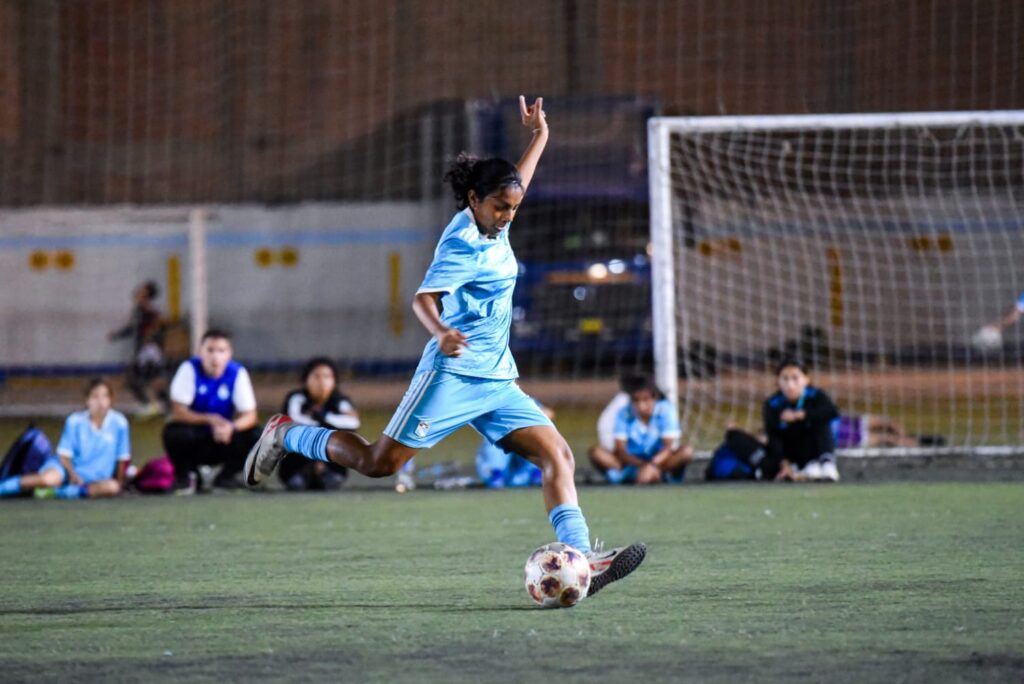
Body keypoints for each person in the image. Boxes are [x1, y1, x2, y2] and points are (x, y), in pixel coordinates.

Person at [244, 95, 645, 597]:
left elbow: (516, 183)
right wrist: (441, 333)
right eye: (500, 206)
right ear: (474, 199)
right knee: (378, 464)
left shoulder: (496, 215)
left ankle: (582, 558)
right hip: (451, 375)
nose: (508, 215)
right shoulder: (462, 243)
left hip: (497, 377)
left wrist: (539, 136)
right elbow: (422, 299)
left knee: (557, 456)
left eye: (513, 207)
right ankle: (286, 434)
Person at [162, 329, 259, 492]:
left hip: (224, 437)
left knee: (258, 435)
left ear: (229, 354)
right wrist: (209, 419)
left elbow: (250, 415)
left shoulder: (237, 373)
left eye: (221, 351)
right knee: (172, 432)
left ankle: (226, 477)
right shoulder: (189, 369)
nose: (215, 356)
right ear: (200, 352)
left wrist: (231, 427)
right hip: (196, 437)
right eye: (210, 350)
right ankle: (186, 477)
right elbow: (178, 411)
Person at [0, 379, 130, 499]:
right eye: (95, 396)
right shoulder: (74, 421)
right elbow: (64, 456)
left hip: (96, 478)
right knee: (48, 480)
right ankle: (4, 487)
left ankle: (56, 492)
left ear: (111, 400)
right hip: (66, 470)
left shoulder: (120, 423)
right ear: (87, 400)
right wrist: (73, 476)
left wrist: (120, 482)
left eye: (104, 396)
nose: (100, 401)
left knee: (112, 487)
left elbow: (122, 458)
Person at [588, 377, 694, 484]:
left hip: (660, 461)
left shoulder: (666, 410)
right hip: (631, 462)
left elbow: (667, 447)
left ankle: (657, 473)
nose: (641, 406)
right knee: (596, 452)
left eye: (645, 400)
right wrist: (642, 466)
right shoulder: (623, 413)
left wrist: (652, 465)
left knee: (686, 452)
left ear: (654, 397)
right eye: (636, 400)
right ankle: (639, 474)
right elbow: (621, 450)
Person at [278, 357, 358, 491]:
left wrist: (323, 416)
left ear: (334, 381)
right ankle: (300, 474)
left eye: (327, 377)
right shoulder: (297, 398)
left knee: (342, 439)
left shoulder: (340, 401)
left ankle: (330, 472)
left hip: (330, 458)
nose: (322, 382)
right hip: (298, 460)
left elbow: (352, 423)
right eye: (316, 376)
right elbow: (294, 420)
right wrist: (325, 424)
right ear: (306, 380)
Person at [763, 359, 840, 482]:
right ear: (778, 381)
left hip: (815, 446)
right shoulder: (772, 404)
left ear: (806, 379)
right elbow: (773, 436)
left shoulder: (815, 395)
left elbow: (833, 412)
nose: (790, 384)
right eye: (785, 379)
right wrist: (783, 462)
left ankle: (826, 463)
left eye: (795, 378)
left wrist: (800, 415)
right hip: (793, 451)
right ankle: (800, 466)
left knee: (821, 420)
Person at [109, 280, 166, 413]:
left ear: (147, 295)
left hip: (149, 352)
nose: (138, 292)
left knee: (139, 379)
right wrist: (116, 335)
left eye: (142, 291)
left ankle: (154, 405)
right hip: (143, 351)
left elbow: (155, 331)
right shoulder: (139, 311)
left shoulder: (151, 313)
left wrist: (152, 339)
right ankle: (156, 405)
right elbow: (132, 329)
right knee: (148, 380)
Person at [475, 400, 553, 488]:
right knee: (497, 437)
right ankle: (496, 475)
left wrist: (523, 419)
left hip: (521, 474)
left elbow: (548, 413)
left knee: (534, 437)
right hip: (494, 468)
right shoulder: (491, 399)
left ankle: (536, 474)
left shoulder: (519, 397)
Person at [587, 373, 650, 473]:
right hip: (623, 454)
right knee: (597, 453)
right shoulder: (622, 409)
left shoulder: (662, 407)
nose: (641, 405)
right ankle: (634, 472)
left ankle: (644, 471)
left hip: (649, 455)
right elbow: (618, 447)